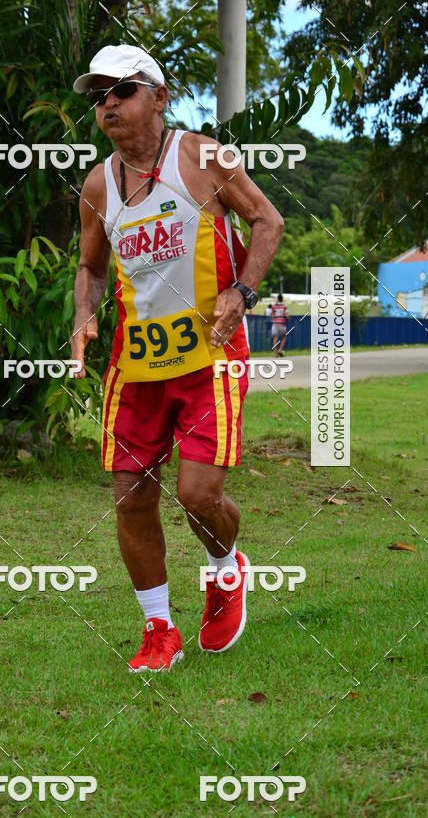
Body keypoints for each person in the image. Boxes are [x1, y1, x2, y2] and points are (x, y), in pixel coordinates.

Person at [70, 44, 283, 671]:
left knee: (196, 494)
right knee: (132, 496)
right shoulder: (98, 184)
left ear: (159, 98)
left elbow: (266, 221)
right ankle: (158, 628)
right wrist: (85, 314)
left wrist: (241, 292)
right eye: (98, 95)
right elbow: (89, 265)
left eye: (121, 90)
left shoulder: (203, 157)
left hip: (210, 354)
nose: (107, 103)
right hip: (136, 364)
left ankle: (224, 569)